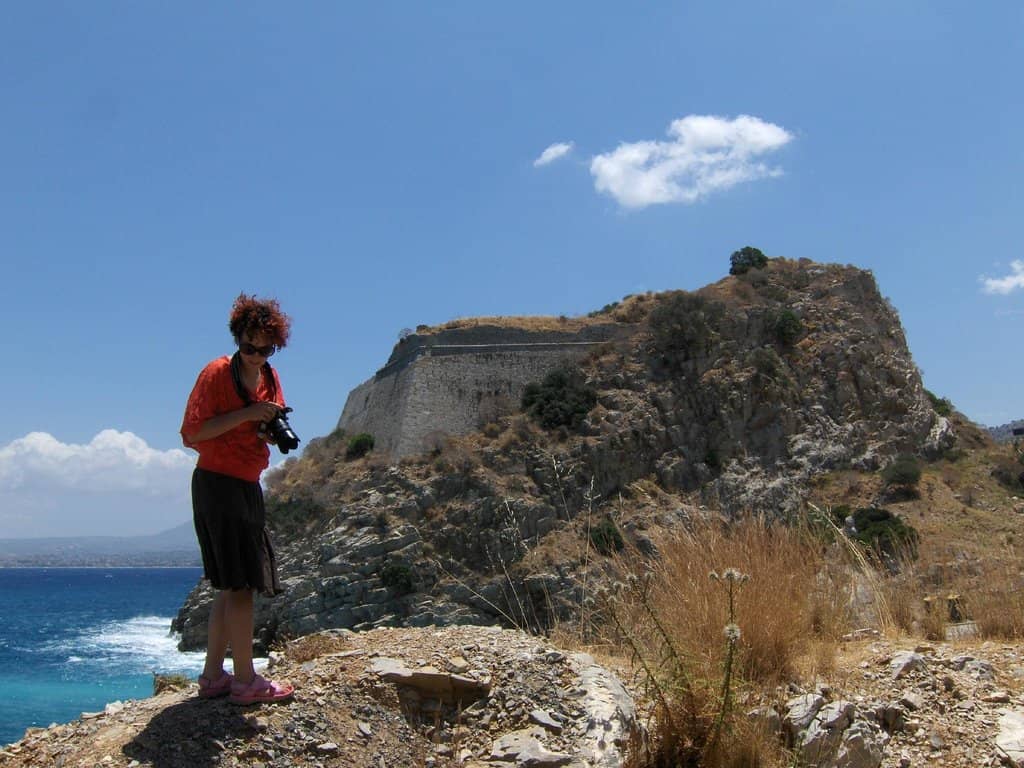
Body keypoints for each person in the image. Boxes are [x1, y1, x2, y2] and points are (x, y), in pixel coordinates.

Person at [180, 293, 295, 705]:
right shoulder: (216, 374)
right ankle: (247, 680)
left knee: (230, 587)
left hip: (247, 483)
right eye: (249, 347)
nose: (256, 355)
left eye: (265, 349)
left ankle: (214, 676)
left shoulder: (269, 377)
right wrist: (248, 416)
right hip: (217, 483)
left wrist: (266, 428)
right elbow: (193, 433)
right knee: (243, 584)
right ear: (237, 339)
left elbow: (261, 424)